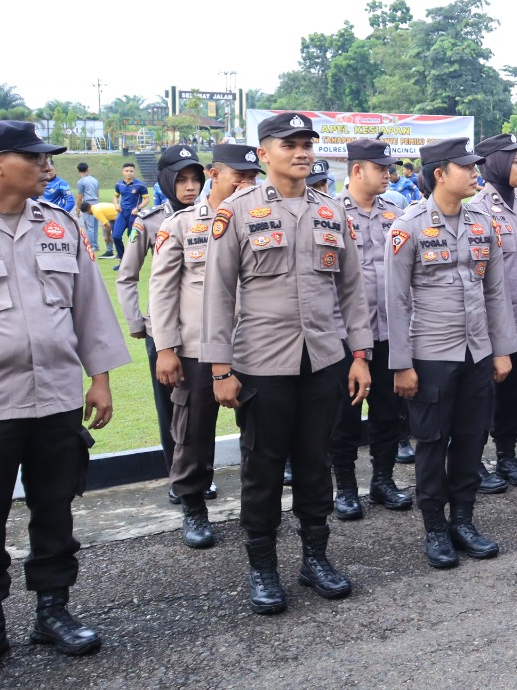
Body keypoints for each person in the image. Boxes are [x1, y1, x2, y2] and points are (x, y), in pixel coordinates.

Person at [0, 121, 131, 683]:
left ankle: (53, 611)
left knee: (55, 508)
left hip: (57, 400)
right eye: (35, 158)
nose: (48, 167)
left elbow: (90, 306)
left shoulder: (59, 225)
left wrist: (101, 379)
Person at [201, 111, 374, 615]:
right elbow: (216, 294)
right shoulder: (236, 212)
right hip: (262, 363)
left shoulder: (330, 211)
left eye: (307, 143)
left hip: (323, 360)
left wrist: (359, 355)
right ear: (263, 154)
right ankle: (263, 568)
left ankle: (314, 559)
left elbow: (352, 291)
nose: (301, 152)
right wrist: (219, 369)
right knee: (264, 469)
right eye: (289, 143)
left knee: (317, 463)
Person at [386, 137, 516, 567]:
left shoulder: (481, 222)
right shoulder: (408, 226)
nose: (475, 172)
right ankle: (435, 528)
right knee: (430, 442)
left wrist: (501, 351)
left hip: (476, 352)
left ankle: (463, 520)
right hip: (430, 354)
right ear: (440, 174)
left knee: (471, 439)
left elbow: (495, 292)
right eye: (466, 166)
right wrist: (401, 364)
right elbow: (396, 300)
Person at [150, 143, 260, 549]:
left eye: (252, 178)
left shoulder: (259, 219)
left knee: (258, 435)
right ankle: (193, 505)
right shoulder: (180, 225)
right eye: (239, 177)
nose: (247, 184)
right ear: (215, 175)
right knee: (194, 433)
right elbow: (161, 291)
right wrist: (165, 348)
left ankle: (256, 508)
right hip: (196, 349)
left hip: (251, 346)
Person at [328, 139, 414, 521]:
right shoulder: (329, 211)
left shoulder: (396, 212)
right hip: (344, 336)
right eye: (380, 168)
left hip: (389, 330)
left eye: (389, 168)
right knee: (344, 416)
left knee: (387, 411)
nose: (388, 174)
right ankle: (345, 487)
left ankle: (382, 480)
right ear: (357, 170)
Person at [117, 146, 207, 506]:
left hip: (203, 330)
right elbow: (126, 275)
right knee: (172, 409)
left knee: (200, 410)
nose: (190, 187)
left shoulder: (214, 215)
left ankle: (200, 474)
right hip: (164, 333)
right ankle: (177, 476)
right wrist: (138, 323)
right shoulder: (151, 221)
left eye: (195, 179)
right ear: (167, 180)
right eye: (182, 180)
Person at [471, 133, 517, 490]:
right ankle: (474, 460)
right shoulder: (477, 208)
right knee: (483, 396)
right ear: (495, 163)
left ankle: (506, 454)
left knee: (516, 393)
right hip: (490, 324)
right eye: (514, 161)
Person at [111, 162, 150, 263]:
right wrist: (116, 204)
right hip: (122, 213)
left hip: (134, 215)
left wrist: (138, 208)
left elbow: (146, 200)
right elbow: (115, 196)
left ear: (134, 172)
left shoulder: (140, 185)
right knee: (116, 236)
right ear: (123, 172)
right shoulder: (119, 184)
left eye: (131, 171)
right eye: (127, 171)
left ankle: (132, 262)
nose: (129, 173)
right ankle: (122, 259)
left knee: (132, 239)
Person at [75, 162, 102, 255]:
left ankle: (91, 245)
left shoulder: (81, 182)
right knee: (94, 226)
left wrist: (78, 208)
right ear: (88, 169)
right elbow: (98, 193)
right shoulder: (95, 180)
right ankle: (96, 245)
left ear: (78, 170)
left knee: (88, 226)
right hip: (96, 203)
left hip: (87, 204)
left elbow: (79, 196)